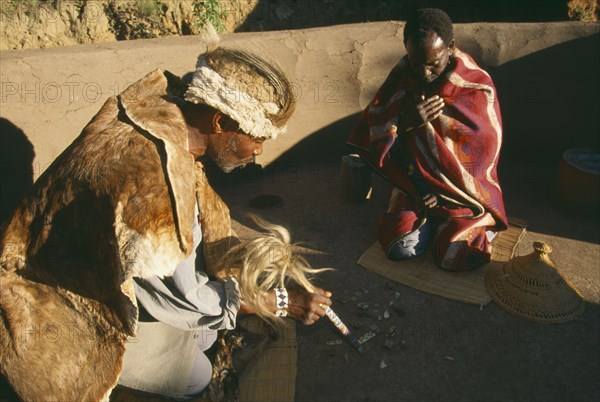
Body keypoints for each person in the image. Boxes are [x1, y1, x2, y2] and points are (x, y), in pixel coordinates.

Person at [0, 38, 332, 400]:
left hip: (67, 266)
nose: (258, 153)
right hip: (52, 311)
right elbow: (188, 300)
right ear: (219, 121)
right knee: (196, 374)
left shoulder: (160, 114)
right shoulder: (157, 199)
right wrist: (285, 302)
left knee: (205, 332)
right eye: (257, 139)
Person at [348, 8, 508, 271]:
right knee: (400, 247)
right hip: (414, 184)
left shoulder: (476, 88)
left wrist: (442, 193)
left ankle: (454, 222)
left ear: (451, 47)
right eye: (415, 62)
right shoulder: (402, 78)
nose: (423, 73)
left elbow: (479, 161)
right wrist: (406, 125)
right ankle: (432, 220)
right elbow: (379, 141)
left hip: (462, 195)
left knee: (454, 258)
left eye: (433, 64)